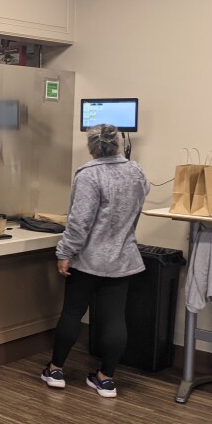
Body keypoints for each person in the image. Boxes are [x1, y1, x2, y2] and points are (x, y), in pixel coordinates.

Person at [41, 123, 149, 398]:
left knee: (73, 312)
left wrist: (64, 252)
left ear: (91, 147)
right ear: (117, 145)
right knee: (115, 318)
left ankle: (55, 370)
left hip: (88, 259)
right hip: (122, 258)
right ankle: (106, 379)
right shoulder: (136, 171)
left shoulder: (89, 175)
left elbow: (79, 223)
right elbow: (139, 201)